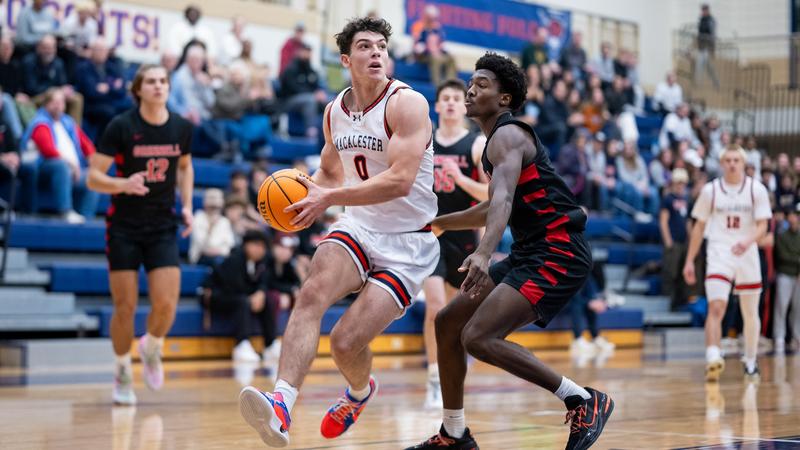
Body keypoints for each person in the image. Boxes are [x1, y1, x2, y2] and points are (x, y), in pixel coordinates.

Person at [238, 17, 439, 448]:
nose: (377, 53)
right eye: (365, 47)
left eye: (382, 46)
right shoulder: (335, 112)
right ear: (346, 59)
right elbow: (330, 173)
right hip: (359, 226)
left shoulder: (408, 104)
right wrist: (307, 194)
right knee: (310, 293)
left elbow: (400, 181)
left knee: (345, 343)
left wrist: (329, 198)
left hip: (408, 241)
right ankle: (281, 403)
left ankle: (359, 394)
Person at [406, 52, 612, 450]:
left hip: (559, 250)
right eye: (471, 81)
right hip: (531, 251)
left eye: (482, 84)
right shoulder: (496, 144)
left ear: (504, 99)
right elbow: (495, 204)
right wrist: (440, 222)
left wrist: (483, 252)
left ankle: (582, 399)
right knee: (448, 323)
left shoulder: (509, 134)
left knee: (478, 337)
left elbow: (500, 201)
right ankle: (454, 434)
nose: (470, 89)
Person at [87, 64, 194, 405]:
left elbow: (186, 167)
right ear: (138, 90)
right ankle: (121, 369)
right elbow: (92, 177)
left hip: (162, 224)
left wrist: (188, 205)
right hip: (124, 227)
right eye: (151, 82)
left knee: (166, 305)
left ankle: (152, 345)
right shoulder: (121, 126)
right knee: (125, 307)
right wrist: (122, 184)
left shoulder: (180, 127)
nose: (159, 86)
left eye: (163, 81)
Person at [422, 79, 488, 409]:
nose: (450, 103)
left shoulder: (476, 145)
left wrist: (461, 179)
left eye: (456, 99)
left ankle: (450, 369)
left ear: (464, 106)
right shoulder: (424, 143)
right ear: (436, 106)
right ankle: (434, 377)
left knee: (452, 314)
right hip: (430, 234)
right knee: (434, 306)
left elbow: (493, 197)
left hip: (464, 237)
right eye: (444, 98)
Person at [682, 145, 771, 382]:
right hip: (719, 252)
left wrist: (748, 241)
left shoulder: (756, 189)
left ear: (743, 163)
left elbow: (764, 225)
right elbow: (699, 227)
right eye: (728, 160)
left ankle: (751, 362)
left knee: (750, 312)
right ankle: (713, 357)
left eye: (736, 160)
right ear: (722, 164)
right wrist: (689, 260)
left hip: (747, 252)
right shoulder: (711, 191)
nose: (732, 164)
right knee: (716, 307)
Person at [20, 88, 99, 223]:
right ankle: (65, 211)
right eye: (54, 102)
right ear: (46, 104)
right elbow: (48, 150)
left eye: (61, 102)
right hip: (44, 169)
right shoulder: (40, 122)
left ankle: (86, 219)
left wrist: (93, 159)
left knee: (93, 177)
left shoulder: (68, 121)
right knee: (60, 165)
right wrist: (73, 165)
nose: (58, 105)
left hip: (72, 171)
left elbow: (86, 144)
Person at [203, 229, 273, 363]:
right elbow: (233, 287)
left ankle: (270, 344)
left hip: (238, 295)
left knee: (267, 299)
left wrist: (260, 293)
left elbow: (264, 282)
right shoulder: (235, 258)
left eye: (263, 247)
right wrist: (253, 295)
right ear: (246, 245)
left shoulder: (261, 262)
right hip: (215, 295)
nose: (260, 250)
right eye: (257, 245)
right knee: (243, 302)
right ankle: (242, 344)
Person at [660, 168, 691, 310]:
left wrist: (690, 240)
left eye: (682, 183)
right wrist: (668, 241)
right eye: (678, 183)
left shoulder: (686, 199)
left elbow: (689, 222)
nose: (680, 186)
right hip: (673, 242)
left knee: (681, 273)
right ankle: (667, 302)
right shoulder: (668, 199)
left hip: (684, 241)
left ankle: (679, 302)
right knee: (671, 272)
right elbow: (663, 221)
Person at [773, 205, 800, 355]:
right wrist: (797, 259)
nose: (793, 218)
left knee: (798, 308)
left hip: (798, 276)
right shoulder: (782, 235)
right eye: (790, 216)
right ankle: (779, 337)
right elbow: (783, 256)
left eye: (795, 216)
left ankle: (797, 337)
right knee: (781, 306)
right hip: (785, 274)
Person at [190, 188, 235, 266]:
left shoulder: (224, 221)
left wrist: (219, 251)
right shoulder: (198, 217)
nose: (214, 209)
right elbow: (201, 244)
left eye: (215, 208)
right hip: (201, 257)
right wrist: (211, 227)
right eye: (212, 207)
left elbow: (229, 245)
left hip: (221, 256)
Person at [695, 4, 719, 88]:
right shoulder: (701, 20)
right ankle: (698, 85)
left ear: (708, 10)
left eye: (705, 10)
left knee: (709, 67)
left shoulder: (711, 20)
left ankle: (716, 83)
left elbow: (713, 35)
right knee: (700, 66)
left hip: (707, 48)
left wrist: (712, 49)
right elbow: (699, 34)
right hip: (701, 47)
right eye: (702, 10)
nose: (703, 11)